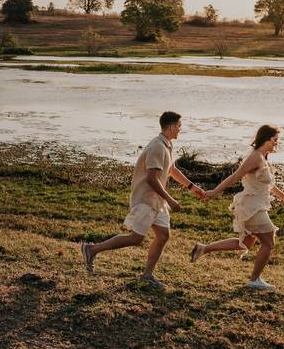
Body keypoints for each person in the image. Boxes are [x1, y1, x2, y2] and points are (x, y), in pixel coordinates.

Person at [80, 111, 205, 288]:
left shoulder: (167, 144)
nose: (180, 129)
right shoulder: (157, 147)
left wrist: (192, 187)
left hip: (157, 202)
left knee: (163, 235)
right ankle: (91, 249)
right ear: (170, 127)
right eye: (179, 126)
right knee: (136, 238)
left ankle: (147, 275)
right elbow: (151, 178)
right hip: (146, 200)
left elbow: (172, 170)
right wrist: (170, 200)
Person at [189, 125, 284, 290]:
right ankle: (254, 280)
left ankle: (204, 248)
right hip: (251, 206)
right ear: (266, 139)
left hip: (258, 205)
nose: (277, 143)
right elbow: (235, 176)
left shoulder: (263, 157)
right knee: (268, 242)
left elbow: (269, 185)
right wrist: (214, 192)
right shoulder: (255, 157)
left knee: (245, 243)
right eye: (275, 140)